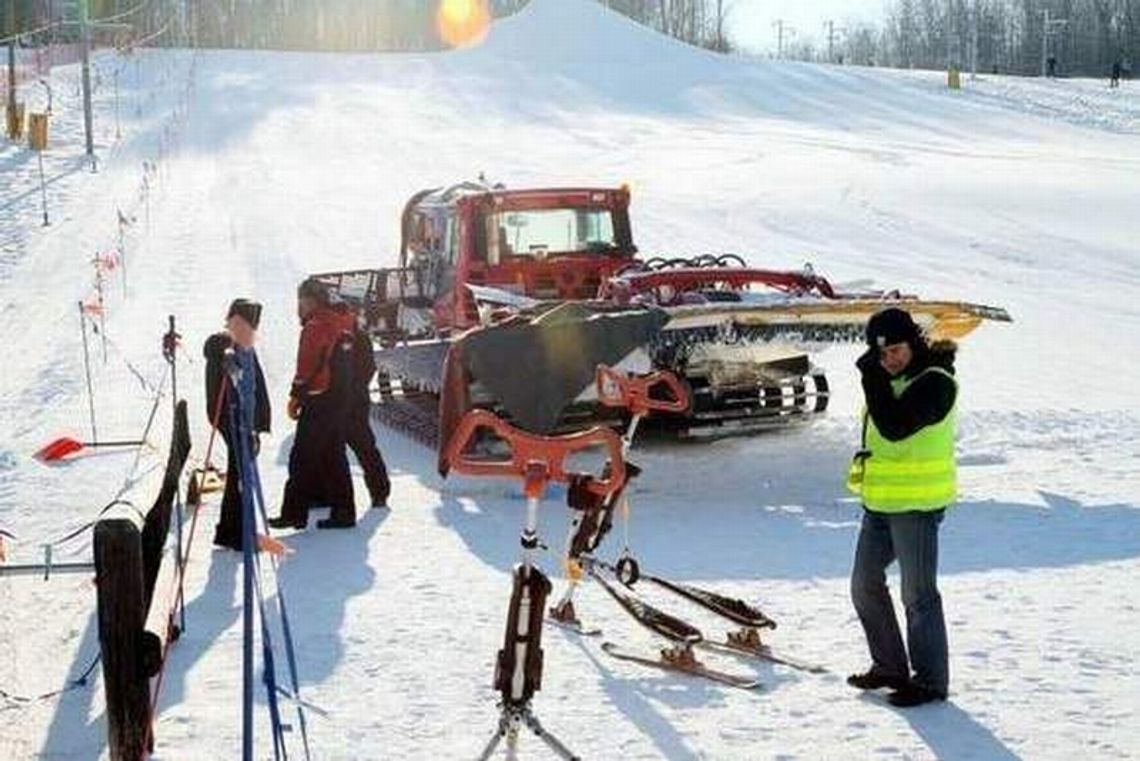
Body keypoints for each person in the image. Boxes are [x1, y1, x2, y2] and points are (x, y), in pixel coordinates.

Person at [845, 307, 957, 708]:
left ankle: (929, 682)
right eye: (882, 355)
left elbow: (895, 427)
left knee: (918, 594)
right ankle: (889, 666)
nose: (889, 359)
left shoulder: (937, 382)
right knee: (863, 584)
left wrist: (870, 376)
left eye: (896, 350)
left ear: (914, 344)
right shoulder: (886, 382)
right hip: (880, 505)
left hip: (918, 507)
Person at [269, 278, 355, 530]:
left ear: (310, 301)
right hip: (340, 398)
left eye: (301, 301)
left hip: (319, 398)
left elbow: (307, 365)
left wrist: (296, 395)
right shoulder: (341, 321)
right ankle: (344, 512)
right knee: (333, 455)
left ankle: (294, 513)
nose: (299, 307)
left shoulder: (315, 326)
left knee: (301, 457)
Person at [203, 299, 270, 552]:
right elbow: (215, 347)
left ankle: (231, 531)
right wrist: (227, 354)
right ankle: (239, 533)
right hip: (231, 417)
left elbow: (254, 383)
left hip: (244, 418)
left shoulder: (244, 345)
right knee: (242, 474)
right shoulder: (224, 343)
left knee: (239, 473)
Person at [339, 304, 391, 508]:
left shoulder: (357, 337)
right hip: (347, 400)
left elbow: (368, 367)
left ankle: (380, 491)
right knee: (335, 450)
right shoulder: (346, 335)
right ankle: (379, 491)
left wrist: (352, 389)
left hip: (353, 402)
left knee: (363, 447)